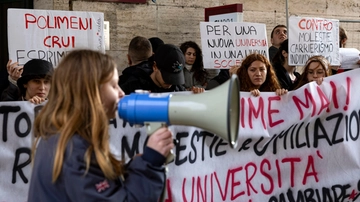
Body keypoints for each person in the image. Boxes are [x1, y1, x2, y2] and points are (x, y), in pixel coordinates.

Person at [28, 49, 174, 202]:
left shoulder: (64, 140)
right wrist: (150, 164)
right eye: (113, 85)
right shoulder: (76, 153)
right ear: (90, 91)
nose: (122, 92)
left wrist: (134, 169)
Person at [120, 43, 204, 94]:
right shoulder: (131, 85)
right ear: (155, 67)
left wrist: (194, 97)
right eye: (167, 76)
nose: (170, 83)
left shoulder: (177, 88)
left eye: (175, 77)